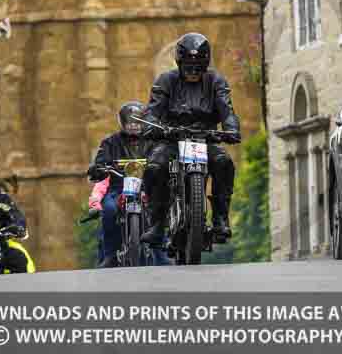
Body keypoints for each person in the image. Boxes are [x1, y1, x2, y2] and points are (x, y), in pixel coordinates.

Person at [140, 32, 241, 247]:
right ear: (179, 61)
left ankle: (220, 218)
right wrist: (152, 126)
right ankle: (156, 222)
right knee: (154, 167)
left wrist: (231, 129)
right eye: (188, 65)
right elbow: (153, 109)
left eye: (198, 65)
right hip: (171, 140)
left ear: (206, 63)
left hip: (205, 139)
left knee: (224, 162)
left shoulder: (216, 81)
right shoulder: (166, 80)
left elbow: (227, 109)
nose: (193, 70)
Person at [87, 100, 169, 267]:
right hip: (118, 187)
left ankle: (162, 254)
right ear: (122, 123)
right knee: (109, 210)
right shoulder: (110, 142)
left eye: (137, 122)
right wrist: (98, 168)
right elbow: (100, 160)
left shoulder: (153, 140)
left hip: (148, 186)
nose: (133, 126)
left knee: (160, 207)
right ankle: (110, 255)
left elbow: (164, 156)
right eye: (130, 123)